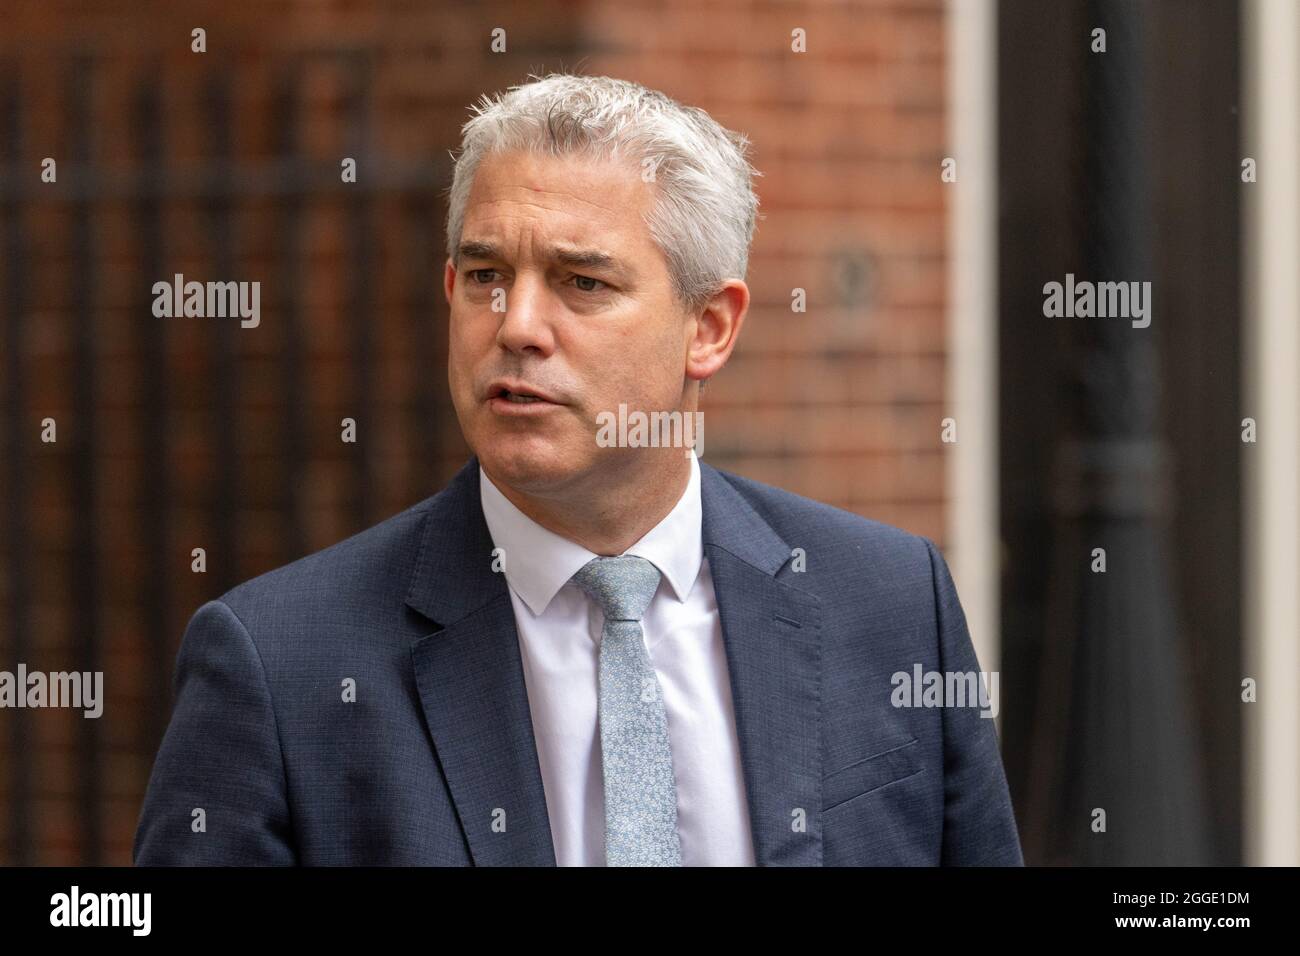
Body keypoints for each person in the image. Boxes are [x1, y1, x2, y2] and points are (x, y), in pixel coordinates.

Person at [134, 73, 1022, 867]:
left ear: (709, 327)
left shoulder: (892, 602)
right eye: (485, 274)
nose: (516, 323)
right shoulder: (280, 665)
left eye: (581, 282)